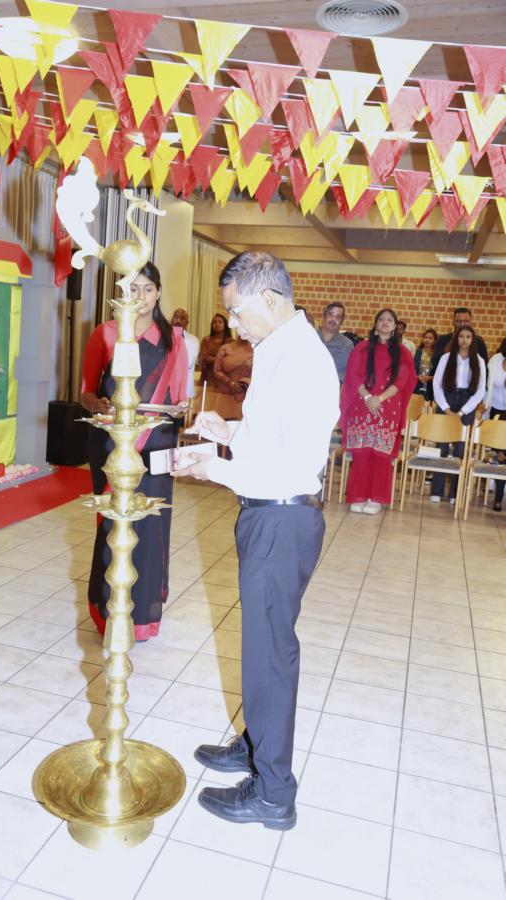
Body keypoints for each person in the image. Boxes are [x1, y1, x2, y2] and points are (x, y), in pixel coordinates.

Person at [173, 252, 339, 830]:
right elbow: (274, 434)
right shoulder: (278, 350)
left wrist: (212, 466)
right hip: (270, 516)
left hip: (281, 517)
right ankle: (255, 743)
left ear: (268, 299)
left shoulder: (303, 361)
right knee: (263, 647)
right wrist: (230, 429)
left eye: (238, 312)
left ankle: (272, 793)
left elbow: (288, 464)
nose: (235, 325)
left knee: (270, 655)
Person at [80, 262, 188, 640]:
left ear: (158, 294)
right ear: (122, 292)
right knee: (113, 523)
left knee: (150, 526)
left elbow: (180, 400)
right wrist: (98, 405)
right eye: (133, 288)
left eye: (148, 288)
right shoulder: (105, 333)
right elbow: (85, 393)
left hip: (155, 444)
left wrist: (181, 411)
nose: (140, 296)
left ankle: (142, 618)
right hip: (111, 442)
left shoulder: (173, 341)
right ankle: (107, 613)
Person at [340, 308, 417, 515]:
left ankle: (375, 498)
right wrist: (367, 397)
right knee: (362, 452)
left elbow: (402, 381)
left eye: (389, 320)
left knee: (381, 455)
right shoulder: (362, 348)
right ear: (375, 325)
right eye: (381, 319)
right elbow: (353, 375)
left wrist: (379, 399)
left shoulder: (402, 352)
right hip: (361, 405)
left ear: (394, 326)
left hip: (387, 407)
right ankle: (358, 496)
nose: (385, 322)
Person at [431, 324, 486, 504]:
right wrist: (446, 409)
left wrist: (463, 411)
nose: (464, 340)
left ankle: (455, 493)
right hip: (446, 399)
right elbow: (436, 385)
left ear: (473, 340)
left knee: (460, 449)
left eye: (468, 337)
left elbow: (480, 391)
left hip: (466, 403)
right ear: (456, 339)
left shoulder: (478, 361)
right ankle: (436, 491)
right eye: (461, 336)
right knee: (442, 446)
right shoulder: (446, 358)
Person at [484, 337, 506, 511]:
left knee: (503, 455)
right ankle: (498, 495)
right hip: (495, 411)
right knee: (500, 455)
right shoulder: (495, 360)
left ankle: (499, 496)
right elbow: (488, 386)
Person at [209, 337, 253, 419]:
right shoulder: (225, 349)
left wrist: (244, 384)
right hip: (224, 393)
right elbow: (217, 370)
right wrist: (230, 383)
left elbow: (258, 372)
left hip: (246, 393)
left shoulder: (255, 350)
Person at [317, 301, 353, 383]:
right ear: (324, 316)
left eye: (338, 317)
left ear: (342, 321)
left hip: (333, 388)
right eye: (330, 315)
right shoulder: (310, 337)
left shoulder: (347, 345)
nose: (333, 319)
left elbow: (348, 375)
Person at [171, 307, 199, 399]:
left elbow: (187, 363)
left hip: (185, 389)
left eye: (182, 318)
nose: (178, 321)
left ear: (187, 322)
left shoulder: (193, 340)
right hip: (164, 388)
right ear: (171, 319)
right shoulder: (163, 338)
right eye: (176, 317)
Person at [196, 314, 232, 385]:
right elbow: (203, 357)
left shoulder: (231, 341)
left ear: (225, 325)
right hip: (207, 374)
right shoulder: (206, 340)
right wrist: (220, 360)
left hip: (224, 375)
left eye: (220, 322)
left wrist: (211, 359)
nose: (217, 324)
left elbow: (229, 360)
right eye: (214, 322)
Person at [413, 328, 438, 399]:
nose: (427, 340)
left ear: (435, 340)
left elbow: (439, 374)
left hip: (430, 387)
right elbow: (412, 369)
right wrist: (417, 376)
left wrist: (429, 378)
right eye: (425, 337)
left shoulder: (437, 354)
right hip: (417, 385)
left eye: (430, 338)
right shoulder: (418, 352)